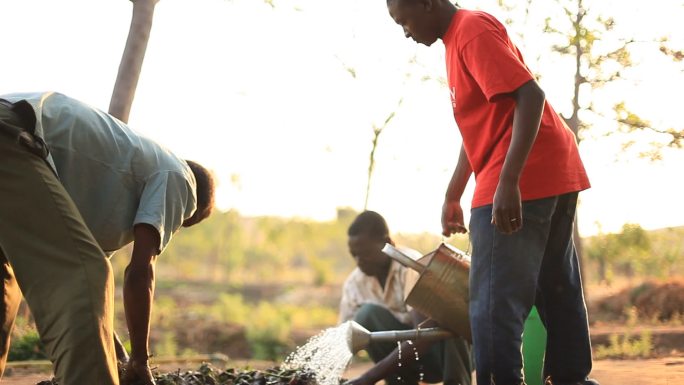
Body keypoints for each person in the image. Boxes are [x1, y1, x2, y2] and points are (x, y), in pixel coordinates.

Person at [384, 1, 597, 385]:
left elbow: (530, 97)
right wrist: (454, 192)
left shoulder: (471, 32)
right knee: (554, 286)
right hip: (550, 171)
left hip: (524, 176)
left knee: (492, 304)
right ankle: (572, 379)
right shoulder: (457, 40)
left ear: (427, 4)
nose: (405, 32)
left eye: (405, 21)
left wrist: (508, 181)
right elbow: (484, 123)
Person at [0, 91, 215, 385]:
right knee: (87, 274)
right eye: (178, 223)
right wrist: (140, 359)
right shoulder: (181, 178)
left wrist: (121, 356)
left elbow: (92, 305)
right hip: (13, 136)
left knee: (3, 291)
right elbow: (138, 274)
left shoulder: (106, 197)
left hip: (13, 136)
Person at [340, 211, 472, 385]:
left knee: (450, 315)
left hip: (436, 356)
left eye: (365, 253)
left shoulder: (411, 266)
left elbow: (423, 336)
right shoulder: (355, 283)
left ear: (387, 244)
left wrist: (367, 378)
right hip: (405, 363)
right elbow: (344, 339)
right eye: (354, 255)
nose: (359, 261)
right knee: (366, 315)